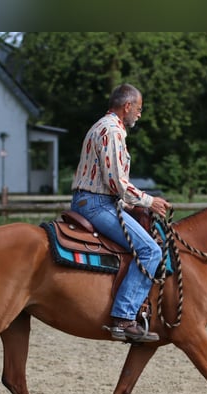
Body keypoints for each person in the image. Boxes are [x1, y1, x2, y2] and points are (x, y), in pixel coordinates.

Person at [70, 83, 171, 343]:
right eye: (138, 109)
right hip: (96, 204)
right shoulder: (111, 130)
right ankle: (124, 317)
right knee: (151, 251)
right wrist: (149, 201)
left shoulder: (102, 127)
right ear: (127, 106)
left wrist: (130, 205)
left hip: (96, 201)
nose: (139, 114)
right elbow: (117, 183)